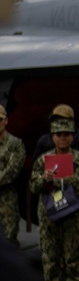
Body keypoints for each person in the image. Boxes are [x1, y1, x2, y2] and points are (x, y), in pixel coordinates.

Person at [29, 117, 79, 281]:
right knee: (50, 253)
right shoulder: (42, 160)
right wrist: (43, 179)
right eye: (58, 135)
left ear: (72, 137)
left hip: (73, 212)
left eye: (66, 135)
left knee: (74, 253)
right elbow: (33, 185)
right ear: (52, 137)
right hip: (49, 213)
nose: (62, 138)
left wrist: (51, 181)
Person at [0, 105, 26, 247]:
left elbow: (12, 171)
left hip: (6, 199)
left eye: (0, 119)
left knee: (8, 241)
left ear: (6, 121)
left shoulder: (15, 144)